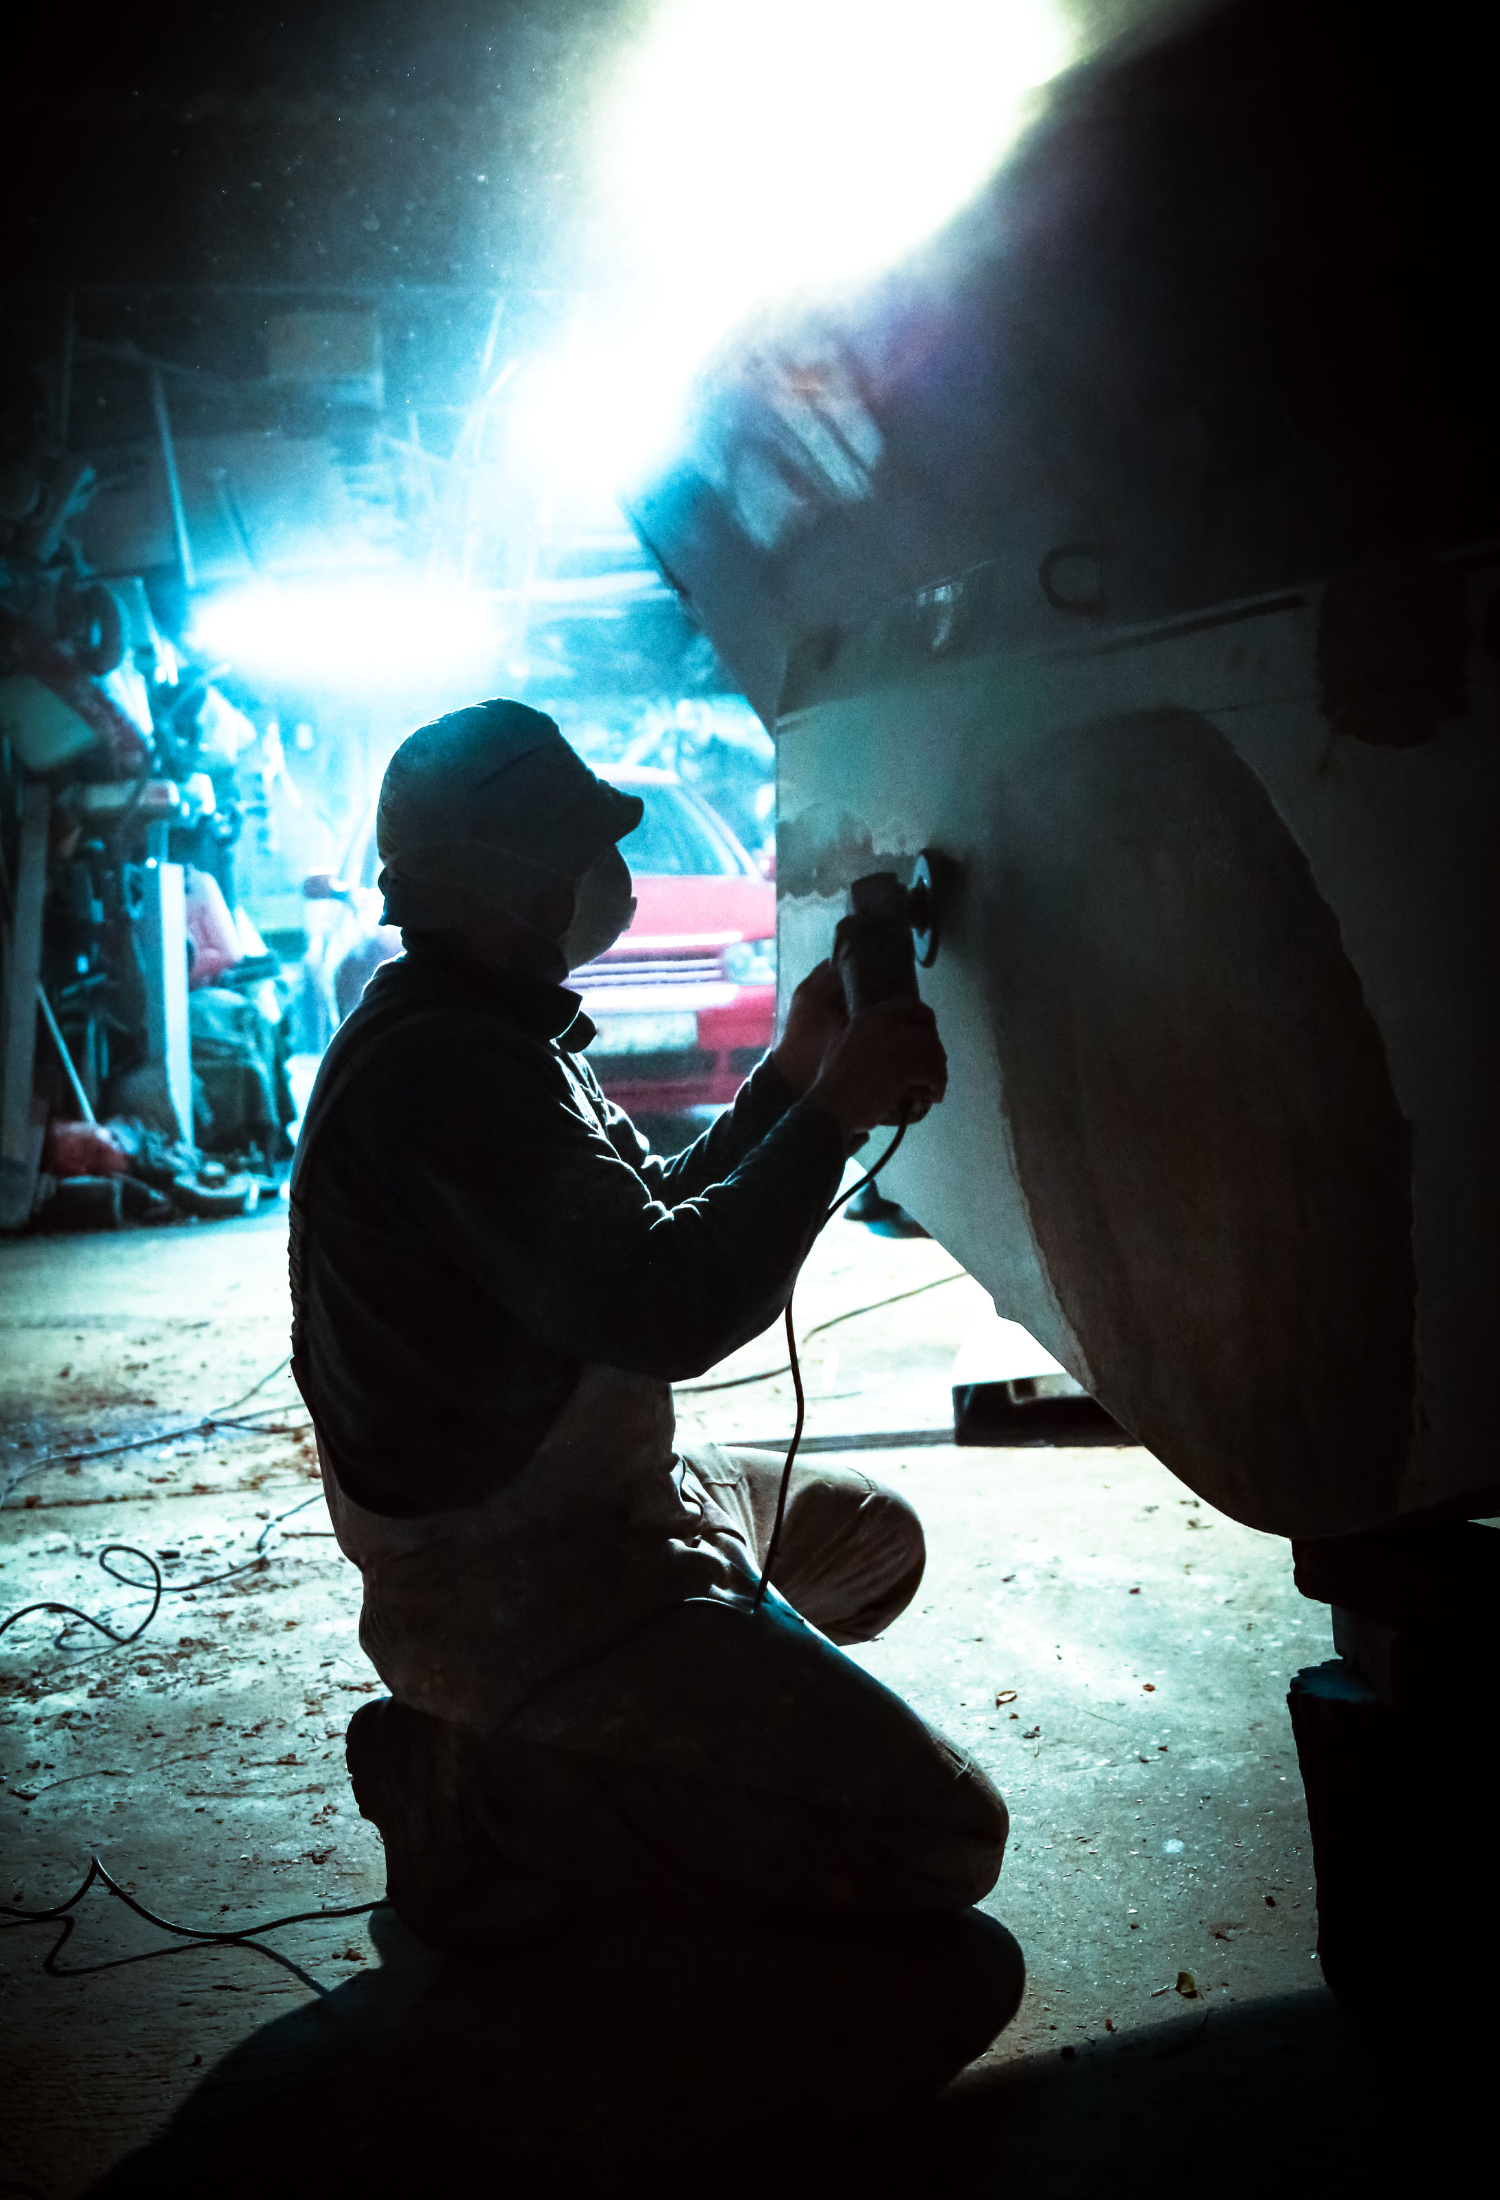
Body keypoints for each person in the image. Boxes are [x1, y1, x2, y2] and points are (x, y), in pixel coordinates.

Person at [290, 700, 1015, 1970]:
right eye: (583, 846)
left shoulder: (493, 1032)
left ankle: (668, 1725)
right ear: (518, 877)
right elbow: (670, 1304)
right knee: (942, 1835)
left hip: (608, 1508)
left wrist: (791, 1078)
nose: (610, 876)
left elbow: (650, 1222)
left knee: (871, 1549)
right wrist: (836, 1115)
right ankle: (481, 1788)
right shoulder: (445, 1075)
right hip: (511, 1584)